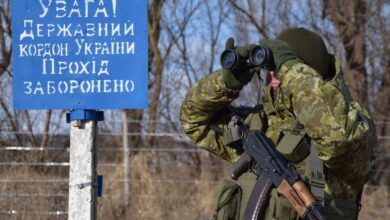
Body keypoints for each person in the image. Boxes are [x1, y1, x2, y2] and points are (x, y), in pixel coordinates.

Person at [180, 28, 377, 220]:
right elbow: (193, 119)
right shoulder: (256, 125)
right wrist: (225, 83)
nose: (272, 77)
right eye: (270, 68)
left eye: (280, 69)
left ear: (304, 73)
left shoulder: (352, 125)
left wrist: (290, 68)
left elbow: (336, 138)